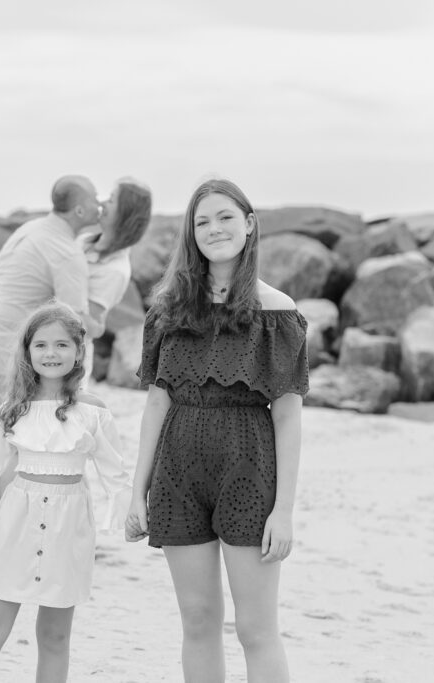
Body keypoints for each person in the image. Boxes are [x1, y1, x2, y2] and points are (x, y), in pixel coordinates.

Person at [125, 178, 309, 683]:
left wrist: (285, 511)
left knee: (256, 628)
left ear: (250, 225)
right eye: (201, 221)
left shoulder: (278, 310)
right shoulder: (168, 309)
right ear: (191, 234)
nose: (214, 229)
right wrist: (136, 493)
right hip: (177, 474)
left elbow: (288, 416)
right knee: (198, 622)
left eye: (226, 217)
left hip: (249, 474)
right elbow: (156, 402)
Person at [0, 303, 132, 683]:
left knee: (54, 634)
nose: (51, 354)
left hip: (70, 528)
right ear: (28, 352)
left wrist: (131, 513)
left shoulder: (94, 413)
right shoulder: (10, 411)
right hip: (17, 521)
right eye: (42, 345)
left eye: (62, 345)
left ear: (79, 351)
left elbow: (116, 475)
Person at [0, 175, 100, 508]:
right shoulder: (65, 252)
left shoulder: (31, 229)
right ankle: (8, 529)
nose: (100, 203)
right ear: (79, 209)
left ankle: (5, 528)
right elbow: (74, 324)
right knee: (10, 449)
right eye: (94, 199)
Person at [76, 177, 153, 379]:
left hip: (68, 360)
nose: (102, 203)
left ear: (124, 214)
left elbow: (86, 325)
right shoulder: (83, 241)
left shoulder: (116, 271)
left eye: (111, 200)